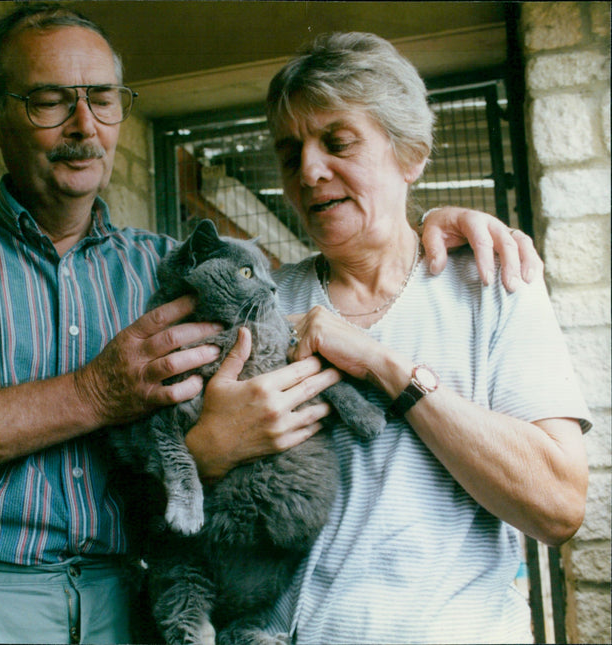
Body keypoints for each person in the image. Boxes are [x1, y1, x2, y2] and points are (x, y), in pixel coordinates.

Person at [0, 4, 544, 644]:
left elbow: (304, 270)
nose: (84, 125)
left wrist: (434, 220)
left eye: (103, 100)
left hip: (120, 607)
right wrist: (96, 393)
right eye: (49, 101)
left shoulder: (165, 268)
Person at [189, 32, 591, 644]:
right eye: (290, 152)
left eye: (338, 142)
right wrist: (206, 454)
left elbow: (558, 506)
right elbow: (176, 496)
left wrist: (384, 365)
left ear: (411, 155)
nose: (309, 171)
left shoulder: (492, 283)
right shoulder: (260, 304)